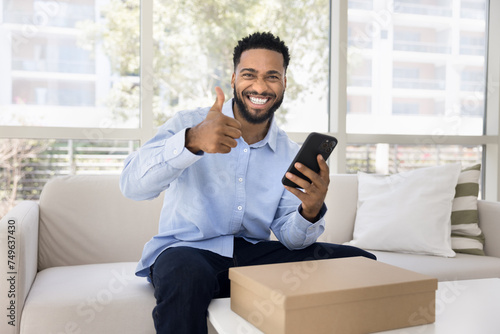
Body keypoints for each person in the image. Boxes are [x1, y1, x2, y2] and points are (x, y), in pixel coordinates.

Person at [120, 31, 376, 334]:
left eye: (272, 77)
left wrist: (310, 210)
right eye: (249, 74)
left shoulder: (289, 153)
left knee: (362, 264)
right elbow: (132, 186)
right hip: (187, 251)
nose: (259, 86)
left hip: (253, 257)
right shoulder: (188, 124)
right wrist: (191, 142)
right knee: (187, 276)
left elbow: (291, 239)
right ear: (233, 79)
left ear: (283, 84)